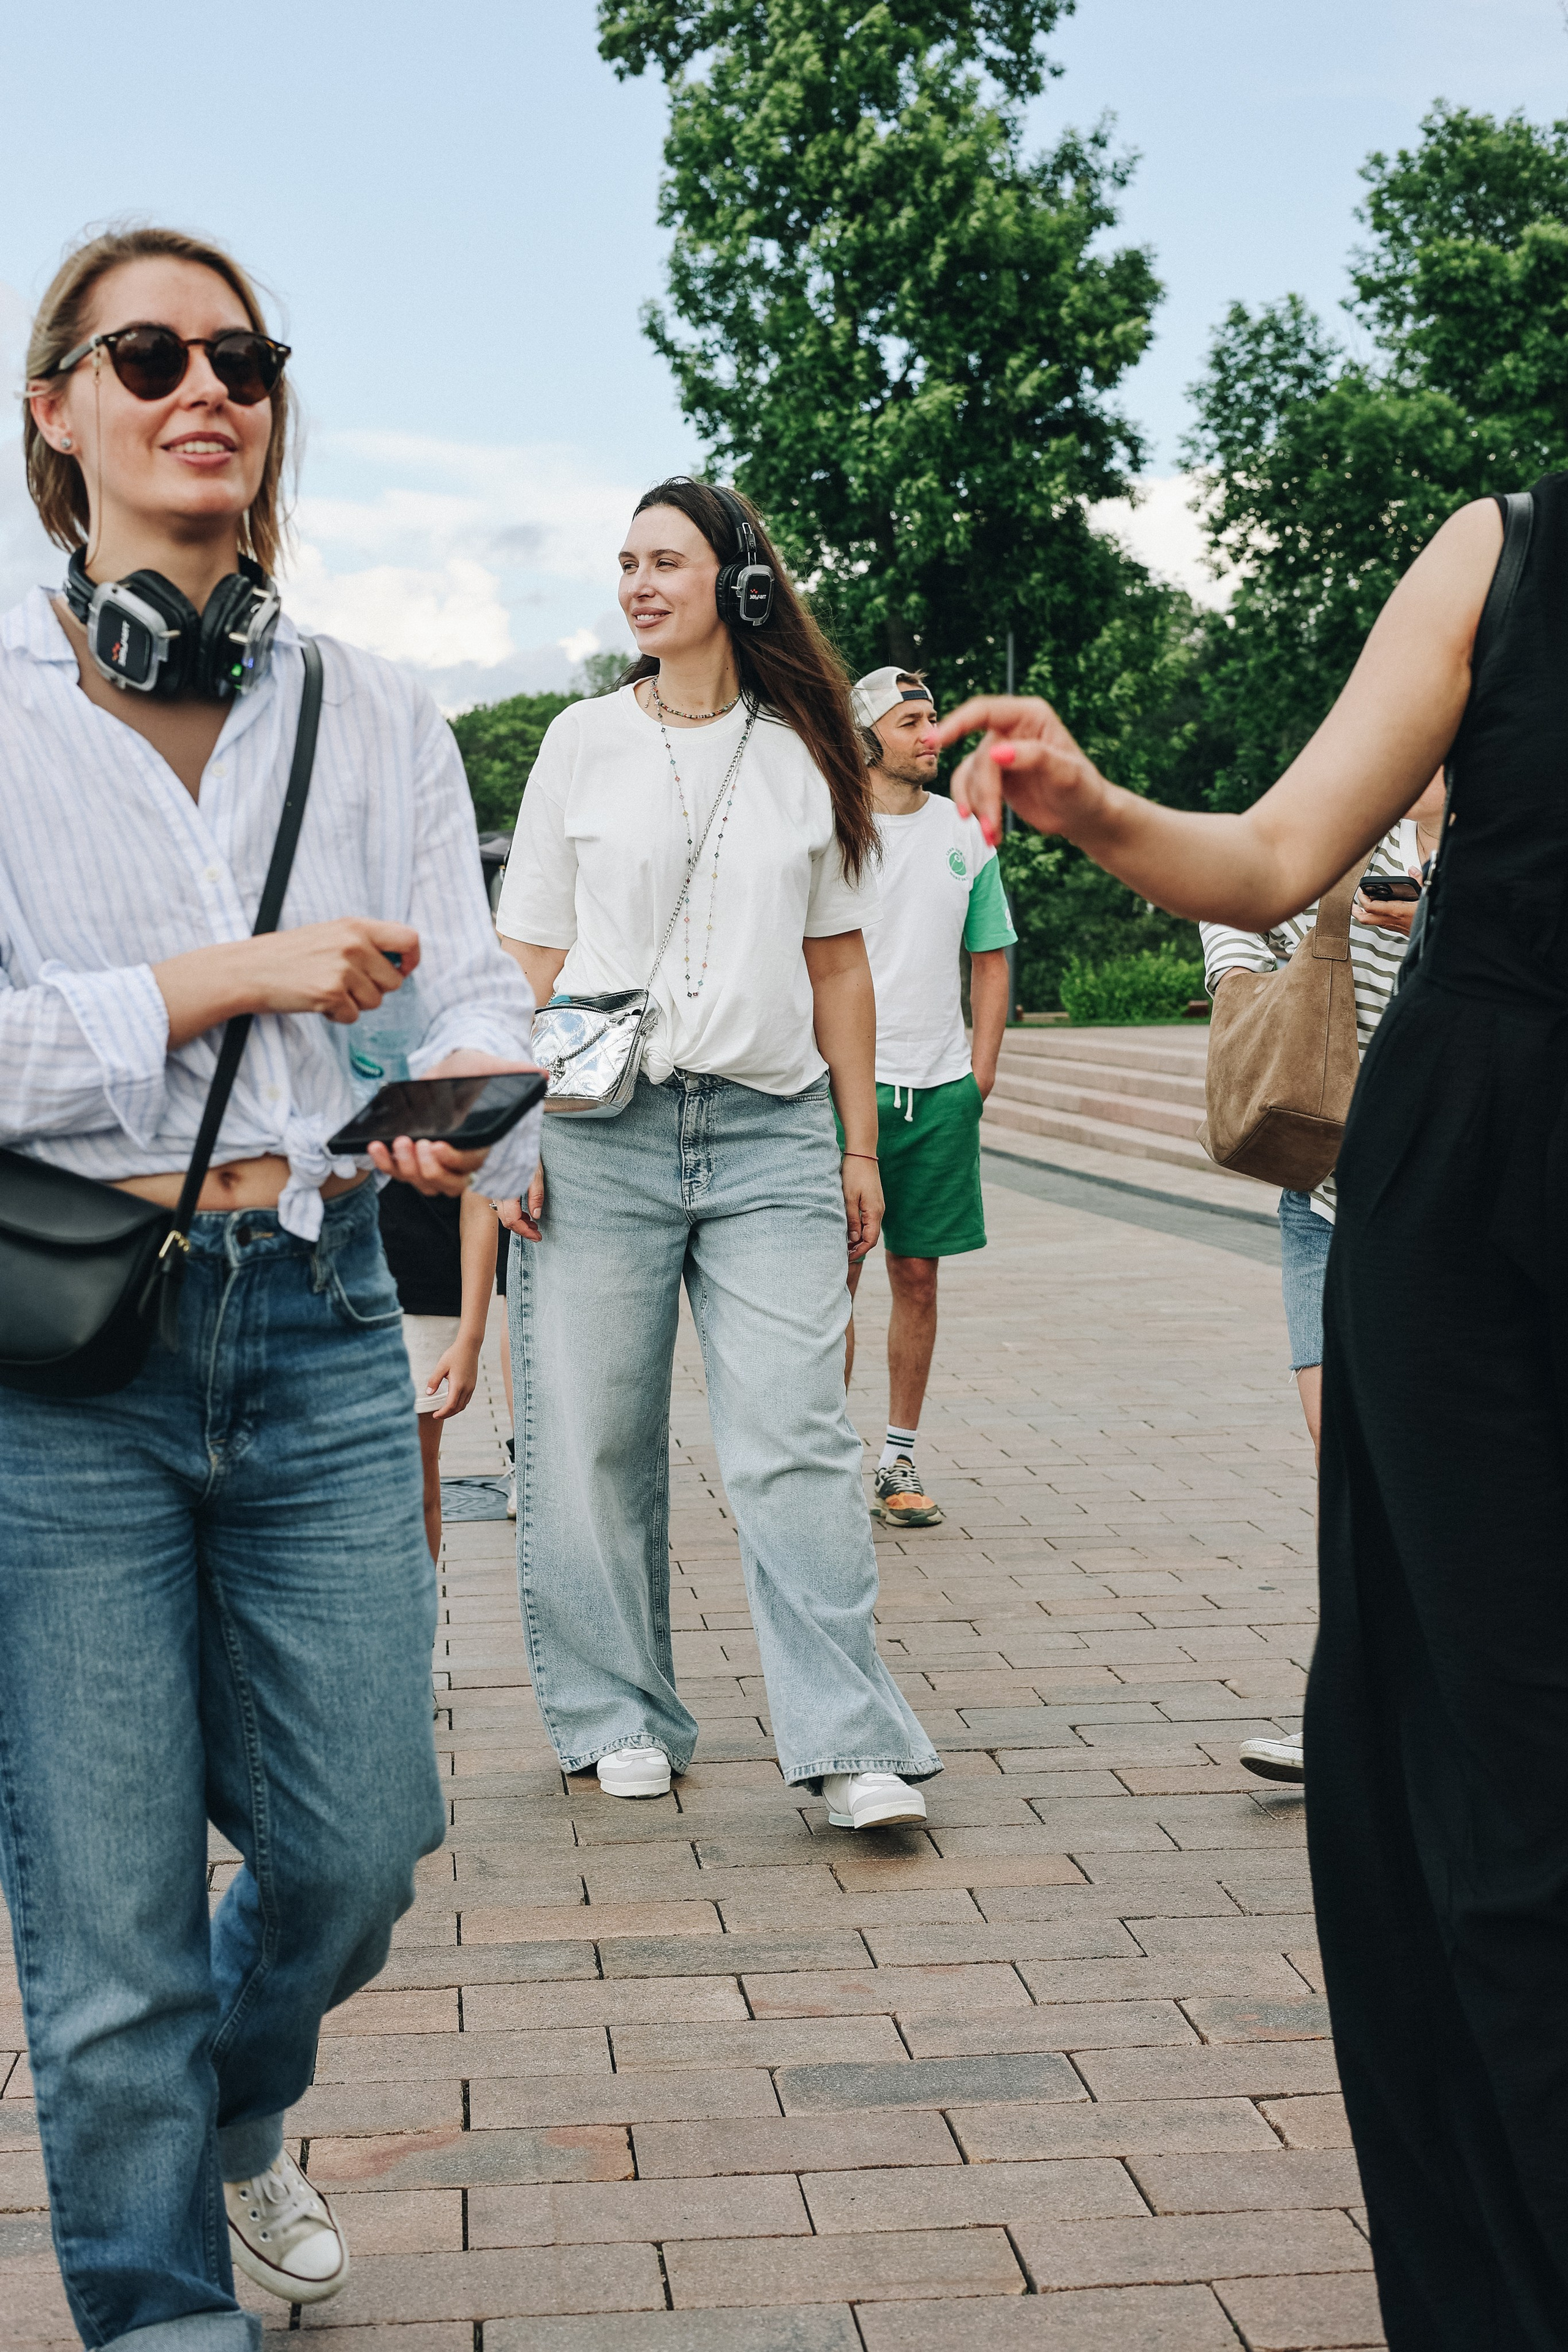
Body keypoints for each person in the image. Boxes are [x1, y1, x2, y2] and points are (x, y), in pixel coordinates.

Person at [932, 476, 1568, 2348]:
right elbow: (1281, 846)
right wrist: (1093, 806)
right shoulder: (1503, 547)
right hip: (1467, 1211)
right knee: (1498, 1790)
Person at [3, 225, 539, 2348]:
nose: (203, 385)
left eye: (242, 355)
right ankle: (158, 2314)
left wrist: (466, 1101)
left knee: (356, 1848)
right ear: (57, 410)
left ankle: (237, 2112)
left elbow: (469, 992)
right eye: (148, 354)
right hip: (65, 1357)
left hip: (313, 1313)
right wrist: (228, 975)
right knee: (108, 1922)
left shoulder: (377, 709)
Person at [494, 477, 940, 1833]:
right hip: (599, 1134)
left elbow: (837, 964)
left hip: (767, 1131)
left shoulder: (807, 748)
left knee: (793, 1439)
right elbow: (533, 952)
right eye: (624, 563)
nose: (635, 584)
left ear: (735, 584)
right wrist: (516, 1123)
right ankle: (617, 1713)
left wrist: (857, 1147)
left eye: (665, 562)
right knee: (588, 1441)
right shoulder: (579, 740)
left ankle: (849, 1741)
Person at [1200, 772, 1446, 1785]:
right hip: (1328, 1195)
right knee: (1345, 1456)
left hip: (1450, 1195)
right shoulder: (1352, 817)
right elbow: (1233, 888)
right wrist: (1241, 985)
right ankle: (1352, 1710)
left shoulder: (1515, 823)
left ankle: (1450, 1706)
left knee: (1449, 1463)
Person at [842, 665, 1017, 1528]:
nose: (930, 734)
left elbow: (991, 960)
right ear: (869, 736)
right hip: (847, 1094)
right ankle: (821, 1467)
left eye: (934, 717)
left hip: (940, 1090)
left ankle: (897, 1459)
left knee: (917, 1278)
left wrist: (978, 1077)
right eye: (911, 720)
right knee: (831, 1278)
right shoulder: (834, 829)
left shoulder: (965, 832)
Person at [379, 1183, 503, 1560]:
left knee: (411, 1483)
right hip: (312, 1287)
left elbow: (481, 1202)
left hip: (422, 1294)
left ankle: (411, 1619)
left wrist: (471, 1338)